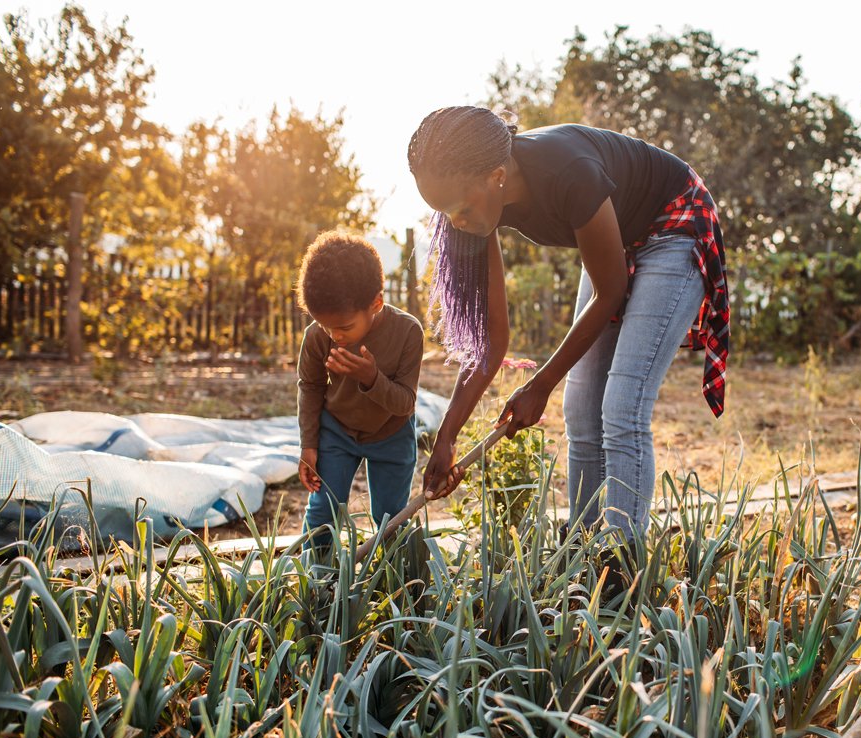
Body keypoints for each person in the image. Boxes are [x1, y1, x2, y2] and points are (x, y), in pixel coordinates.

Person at [406, 106, 728, 548]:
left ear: (496, 175)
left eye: (459, 208)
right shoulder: (475, 210)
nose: (455, 222)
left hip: (673, 224)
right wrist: (447, 439)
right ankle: (581, 544)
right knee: (579, 409)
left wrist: (539, 385)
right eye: (444, 212)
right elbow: (490, 343)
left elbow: (610, 292)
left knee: (622, 406)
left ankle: (621, 556)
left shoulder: (568, 171)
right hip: (616, 239)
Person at [296, 231, 424, 546]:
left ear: (376, 303)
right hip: (338, 431)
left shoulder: (407, 333)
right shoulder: (318, 336)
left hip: (391, 433)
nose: (334, 335)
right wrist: (308, 445)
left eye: (343, 327)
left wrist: (371, 378)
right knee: (323, 511)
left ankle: (396, 585)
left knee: (390, 519)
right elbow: (310, 386)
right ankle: (319, 584)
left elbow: (405, 403)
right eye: (325, 326)